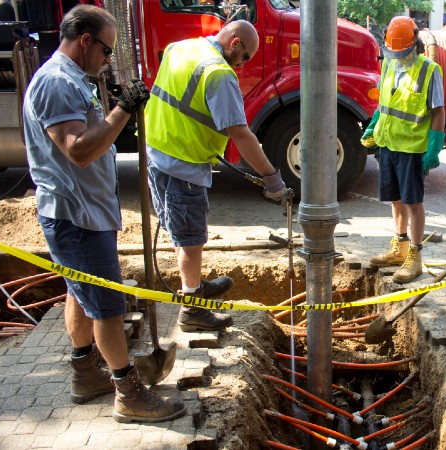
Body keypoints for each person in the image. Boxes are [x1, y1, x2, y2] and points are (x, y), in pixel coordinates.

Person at [23, 4, 185, 422]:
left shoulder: (74, 79)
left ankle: (84, 372)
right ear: (84, 41)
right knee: (108, 307)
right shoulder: (57, 83)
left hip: (84, 212)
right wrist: (123, 109)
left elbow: (92, 137)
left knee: (81, 292)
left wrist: (115, 115)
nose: (108, 59)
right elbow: (77, 150)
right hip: (75, 217)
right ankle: (128, 394)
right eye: (107, 51)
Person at [144, 20, 287, 332]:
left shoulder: (181, 48)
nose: (242, 63)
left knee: (181, 233)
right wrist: (271, 178)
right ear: (234, 43)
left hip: (157, 154)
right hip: (184, 164)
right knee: (191, 240)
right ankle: (193, 310)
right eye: (245, 56)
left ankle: (193, 286)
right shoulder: (219, 73)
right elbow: (240, 133)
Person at [361, 16, 446, 284]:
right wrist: (374, 125)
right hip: (387, 142)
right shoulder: (388, 64)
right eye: (393, 51)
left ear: (415, 45)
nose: (398, 56)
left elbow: (438, 111)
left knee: (413, 202)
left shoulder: (430, 71)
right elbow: (385, 104)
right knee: (395, 199)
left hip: (412, 148)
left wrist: (434, 146)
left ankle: (415, 256)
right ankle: (400, 246)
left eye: (403, 51)